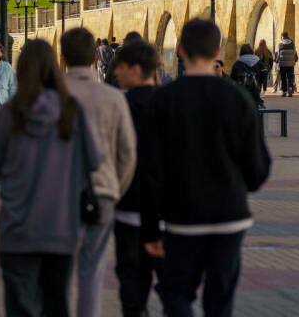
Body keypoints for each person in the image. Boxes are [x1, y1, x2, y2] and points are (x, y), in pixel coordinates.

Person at [146, 18, 271, 317]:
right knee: (220, 300)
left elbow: (150, 171)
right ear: (217, 51)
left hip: (182, 217)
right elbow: (258, 166)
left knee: (175, 292)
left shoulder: (163, 100)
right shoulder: (238, 99)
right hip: (229, 216)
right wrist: (241, 186)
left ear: (180, 50)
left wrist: (151, 229)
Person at [0, 38, 99, 317]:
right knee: (56, 303)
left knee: (21, 307)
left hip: (18, 230)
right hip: (61, 228)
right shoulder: (71, 112)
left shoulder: (10, 114)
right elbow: (93, 161)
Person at [61, 28, 136, 317]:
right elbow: (128, 153)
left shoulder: (49, 95)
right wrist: (116, 187)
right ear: (95, 58)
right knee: (91, 274)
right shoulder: (113, 98)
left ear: (64, 58)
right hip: (102, 194)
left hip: (58, 197)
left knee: (60, 274)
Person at [110, 39, 166, 317]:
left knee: (131, 284)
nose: (115, 73)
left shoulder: (119, 106)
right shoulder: (169, 104)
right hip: (167, 213)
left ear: (134, 69)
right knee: (172, 290)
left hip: (128, 210)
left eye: (119, 68)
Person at [230, 44, 264, 108]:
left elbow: (232, 77)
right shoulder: (258, 62)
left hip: (242, 90)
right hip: (255, 89)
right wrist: (260, 82)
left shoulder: (237, 63)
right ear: (251, 50)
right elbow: (264, 72)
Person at [276, 32, 297, 96]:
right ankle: (290, 88)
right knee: (290, 77)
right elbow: (295, 53)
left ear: (282, 37)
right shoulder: (292, 44)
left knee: (283, 78)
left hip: (282, 64)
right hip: (290, 64)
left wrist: (277, 60)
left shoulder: (280, 44)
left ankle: (284, 91)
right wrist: (295, 60)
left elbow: (279, 54)